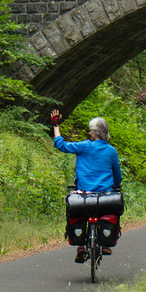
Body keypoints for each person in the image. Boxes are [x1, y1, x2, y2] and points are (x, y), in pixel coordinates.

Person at [51, 110, 122, 262]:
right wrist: (116, 186)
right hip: (106, 196)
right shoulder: (111, 151)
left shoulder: (84, 146)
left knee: (79, 214)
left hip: (84, 195)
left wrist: (56, 125)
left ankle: (81, 247)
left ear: (92, 132)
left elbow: (60, 144)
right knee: (110, 212)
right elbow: (117, 175)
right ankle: (105, 244)